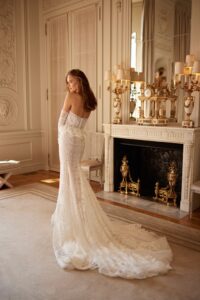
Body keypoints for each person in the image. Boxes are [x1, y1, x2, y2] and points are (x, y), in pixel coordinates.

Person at [51, 69, 173, 279]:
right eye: (68, 83)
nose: (69, 86)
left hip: (68, 139)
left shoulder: (71, 97)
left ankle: (74, 222)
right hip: (79, 139)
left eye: (71, 81)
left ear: (79, 80)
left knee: (69, 177)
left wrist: (59, 139)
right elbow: (79, 123)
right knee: (75, 178)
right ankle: (78, 216)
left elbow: (61, 123)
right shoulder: (89, 100)